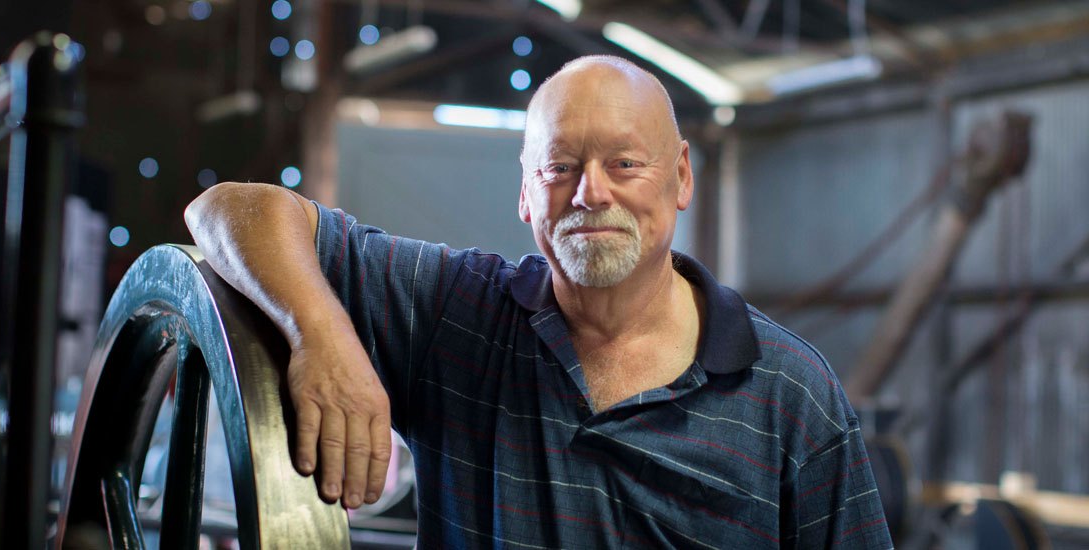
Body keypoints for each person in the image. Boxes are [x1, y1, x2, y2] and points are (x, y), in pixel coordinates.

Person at [186, 55, 893, 548]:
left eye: (623, 163)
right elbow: (228, 210)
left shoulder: (791, 396)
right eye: (560, 167)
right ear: (526, 193)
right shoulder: (455, 314)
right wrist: (322, 335)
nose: (590, 193)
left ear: (680, 177)